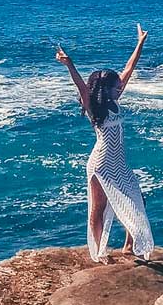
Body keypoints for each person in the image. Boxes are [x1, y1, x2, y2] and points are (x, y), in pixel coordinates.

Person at [55, 24, 155, 262]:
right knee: (98, 208)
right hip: (101, 163)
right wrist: (69, 65)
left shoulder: (114, 99)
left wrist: (140, 42)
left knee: (138, 201)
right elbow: (80, 85)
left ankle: (128, 246)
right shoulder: (93, 106)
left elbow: (129, 69)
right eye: (115, 85)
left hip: (119, 163)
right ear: (104, 88)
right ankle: (99, 253)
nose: (120, 85)